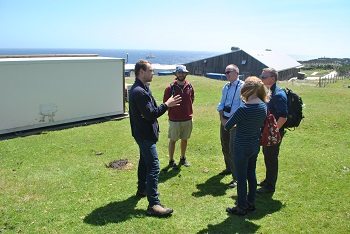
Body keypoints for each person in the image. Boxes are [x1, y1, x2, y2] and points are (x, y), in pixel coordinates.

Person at [128, 60, 182, 217]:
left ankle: (142, 189)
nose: (153, 72)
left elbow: (149, 111)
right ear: (141, 72)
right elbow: (150, 113)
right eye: (150, 70)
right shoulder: (139, 91)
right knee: (154, 166)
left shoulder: (143, 88)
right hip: (144, 135)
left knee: (144, 161)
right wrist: (167, 104)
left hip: (144, 134)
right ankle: (154, 204)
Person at [225, 76, 269, 216]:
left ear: (246, 91)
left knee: (241, 177)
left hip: (241, 146)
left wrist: (239, 124)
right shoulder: (263, 106)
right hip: (254, 144)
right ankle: (251, 203)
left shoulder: (243, 109)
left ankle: (241, 207)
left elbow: (228, 125)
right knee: (252, 173)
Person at [257, 67, 288, 194]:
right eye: (261, 76)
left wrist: (273, 132)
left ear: (272, 79)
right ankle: (267, 180)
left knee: (271, 157)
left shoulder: (279, 94)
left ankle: (270, 186)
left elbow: (283, 117)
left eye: (264, 77)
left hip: (274, 132)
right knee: (267, 155)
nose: (261, 78)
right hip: (267, 131)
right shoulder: (267, 91)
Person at [217, 64, 244, 188]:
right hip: (225, 120)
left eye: (228, 72)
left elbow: (243, 106)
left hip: (236, 122)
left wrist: (234, 121)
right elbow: (221, 103)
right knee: (224, 145)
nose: (226, 74)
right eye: (225, 72)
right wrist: (222, 118)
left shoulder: (243, 87)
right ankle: (228, 167)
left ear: (236, 73)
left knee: (233, 149)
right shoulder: (226, 86)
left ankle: (236, 178)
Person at [163, 65, 194, 169]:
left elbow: (192, 99)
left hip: (187, 118)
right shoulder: (170, 88)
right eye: (179, 72)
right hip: (174, 119)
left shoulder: (190, 86)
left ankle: (183, 157)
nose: (181, 74)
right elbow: (166, 104)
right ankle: (171, 160)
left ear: (186, 73)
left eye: (183, 72)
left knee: (184, 139)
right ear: (176, 74)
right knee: (173, 140)